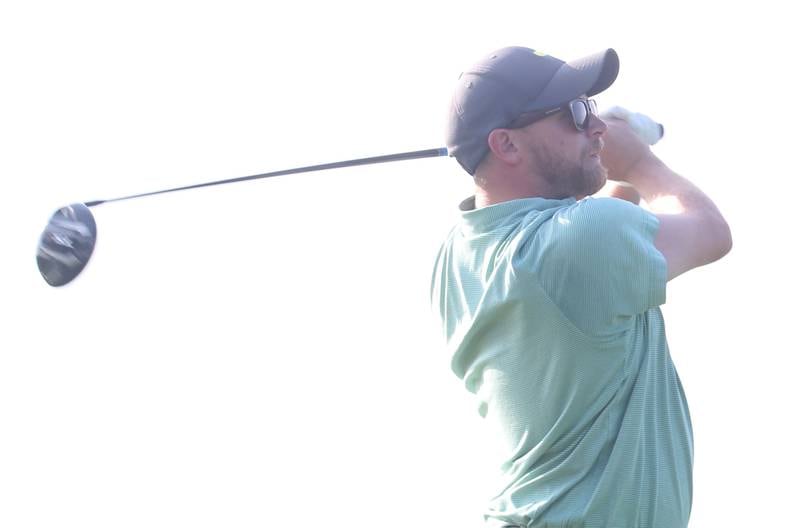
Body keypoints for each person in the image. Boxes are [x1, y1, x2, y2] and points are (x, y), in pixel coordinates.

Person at [430, 46, 732, 528]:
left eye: (590, 109)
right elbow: (710, 231)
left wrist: (592, 154)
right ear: (507, 145)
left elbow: (599, 256)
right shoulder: (582, 245)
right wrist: (637, 162)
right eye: (573, 114)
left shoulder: (459, 254)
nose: (596, 127)